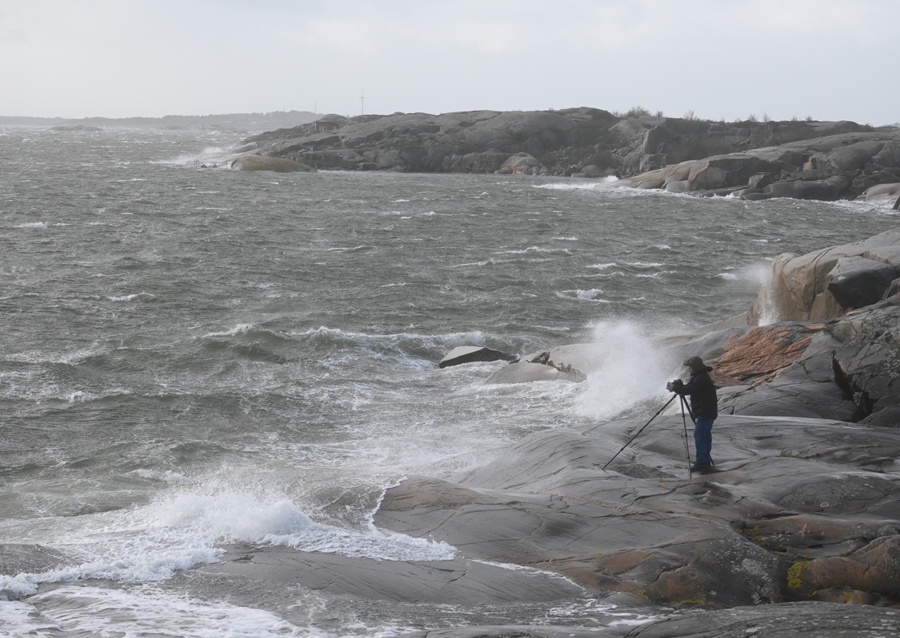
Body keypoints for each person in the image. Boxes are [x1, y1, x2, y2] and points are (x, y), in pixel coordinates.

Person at [667, 356, 718, 473]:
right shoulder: (699, 377)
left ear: (695, 367)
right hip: (707, 412)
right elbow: (690, 388)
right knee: (704, 436)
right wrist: (679, 386)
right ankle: (704, 461)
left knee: (700, 435)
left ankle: (702, 463)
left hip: (705, 412)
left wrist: (675, 388)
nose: (689, 369)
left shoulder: (701, 379)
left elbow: (689, 390)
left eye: (690, 367)